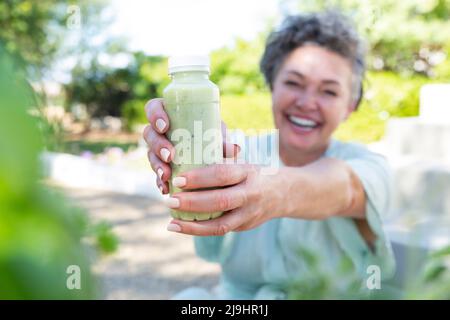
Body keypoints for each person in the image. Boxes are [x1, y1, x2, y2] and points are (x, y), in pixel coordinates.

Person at [143, 10, 395, 299]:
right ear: (272, 86)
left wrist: (277, 192)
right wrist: (187, 149)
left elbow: (346, 189)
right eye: (293, 83)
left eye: (328, 91)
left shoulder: (372, 167)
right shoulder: (237, 156)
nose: (307, 102)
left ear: (350, 106)